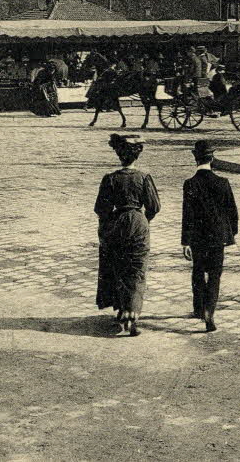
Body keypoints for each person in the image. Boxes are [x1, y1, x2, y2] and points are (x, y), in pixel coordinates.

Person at [95, 134, 161, 336]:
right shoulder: (144, 178)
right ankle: (132, 314)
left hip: (117, 224)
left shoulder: (110, 179)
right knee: (137, 268)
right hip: (138, 224)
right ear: (137, 156)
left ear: (119, 155)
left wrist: (108, 225)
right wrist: (143, 220)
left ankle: (121, 309)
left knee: (118, 266)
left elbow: (101, 209)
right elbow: (154, 206)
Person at [182, 140, 238, 332]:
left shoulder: (190, 184)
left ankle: (198, 308)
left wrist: (185, 242)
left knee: (198, 272)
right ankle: (209, 311)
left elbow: (187, 215)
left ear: (195, 159)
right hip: (218, 237)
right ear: (212, 159)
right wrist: (231, 233)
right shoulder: (223, 183)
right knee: (215, 275)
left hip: (197, 237)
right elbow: (232, 212)